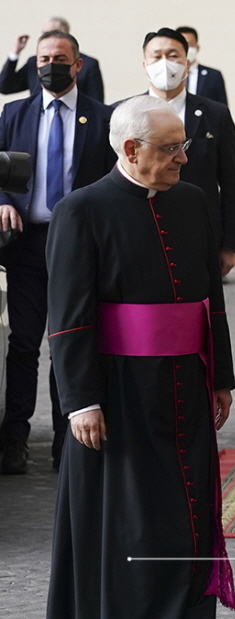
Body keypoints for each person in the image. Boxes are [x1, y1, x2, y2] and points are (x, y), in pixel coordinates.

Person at [46, 95, 235, 618]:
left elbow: (208, 299)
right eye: (171, 148)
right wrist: (81, 400)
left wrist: (220, 374)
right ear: (130, 149)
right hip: (118, 391)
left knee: (188, 506)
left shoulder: (194, 201)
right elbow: (68, 317)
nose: (183, 157)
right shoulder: (81, 210)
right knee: (130, 516)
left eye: (184, 146)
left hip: (186, 386)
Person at [0, 30, 114, 474]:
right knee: (24, 344)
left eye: (60, 57)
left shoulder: (101, 118)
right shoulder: (14, 114)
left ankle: (67, 444)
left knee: (69, 343)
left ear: (78, 64)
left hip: (79, 249)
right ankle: (15, 439)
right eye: (44, 58)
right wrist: (5, 203)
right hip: (27, 245)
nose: (51, 65)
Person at [118, 28, 235, 276]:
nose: (165, 63)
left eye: (173, 55)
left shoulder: (215, 115)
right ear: (145, 65)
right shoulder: (123, 114)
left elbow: (230, 182)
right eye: (157, 56)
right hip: (140, 231)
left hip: (199, 232)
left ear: (187, 64)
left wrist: (229, 245)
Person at [0, 17, 104, 103]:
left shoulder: (89, 64)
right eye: (44, 60)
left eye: (61, 60)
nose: (45, 37)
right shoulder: (33, 62)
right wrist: (15, 52)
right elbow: (4, 87)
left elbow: (96, 101)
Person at [176, 26, 228, 106]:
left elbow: (222, 107)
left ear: (197, 47)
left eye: (189, 45)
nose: (186, 49)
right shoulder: (168, 74)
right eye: (182, 45)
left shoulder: (213, 76)